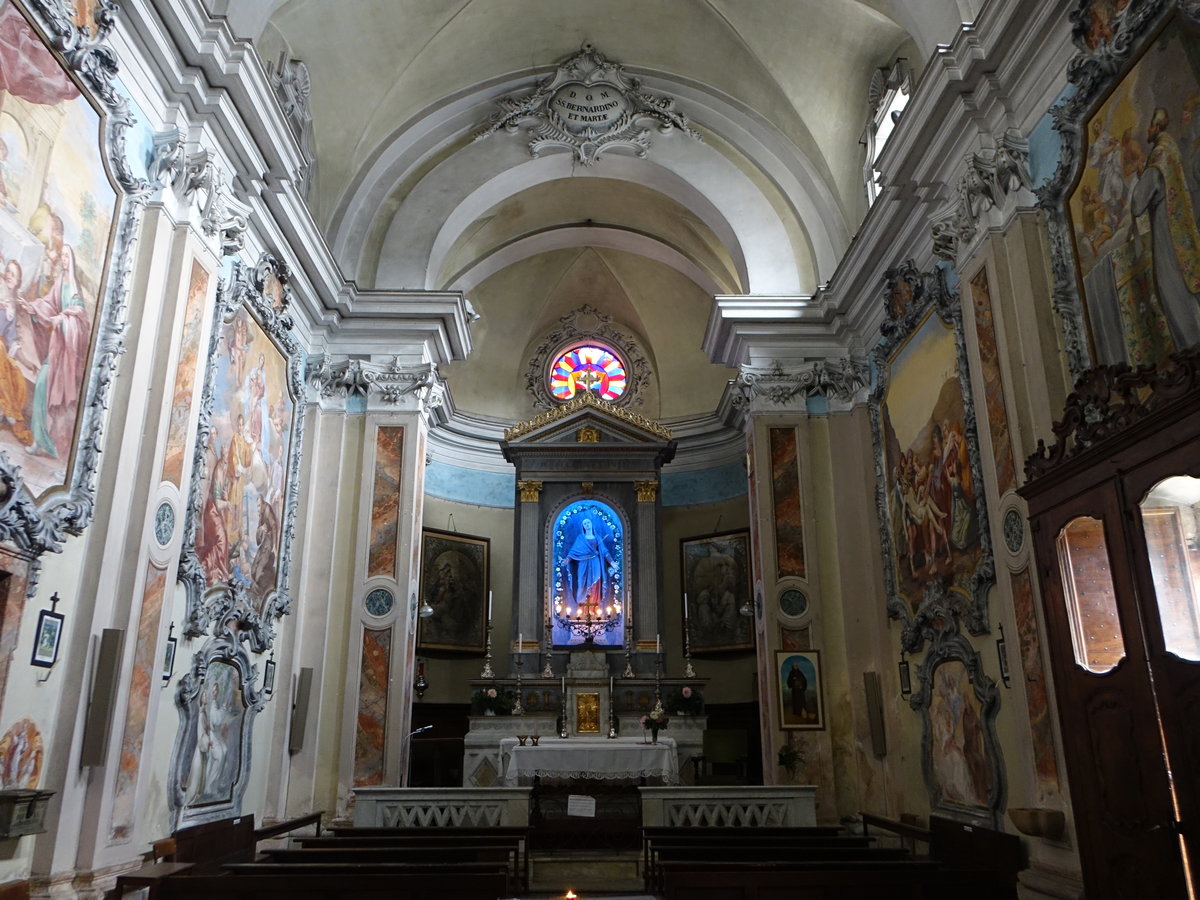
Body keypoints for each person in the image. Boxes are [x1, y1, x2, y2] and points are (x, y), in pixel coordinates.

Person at [1131, 106, 1200, 350]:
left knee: (1172, 288)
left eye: (1150, 125)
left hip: (1166, 230)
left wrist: (1142, 176)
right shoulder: (1172, 150)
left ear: (1156, 127)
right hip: (1179, 225)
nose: (1148, 130)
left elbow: (1139, 202)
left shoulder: (1159, 155)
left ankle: (1192, 353)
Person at [566, 516, 617, 612]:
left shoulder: (597, 538)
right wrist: (567, 560)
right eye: (585, 523)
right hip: (583, 563)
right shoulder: (580, 538)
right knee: (581, 583)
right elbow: (573, 551)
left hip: (595, 562)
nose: (587, 525)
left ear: (591, 524)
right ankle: (582, 609)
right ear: (583, 526)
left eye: (588, 522)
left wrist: (612, 562)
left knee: (595, 583)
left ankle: (594, 609)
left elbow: (604, 551)